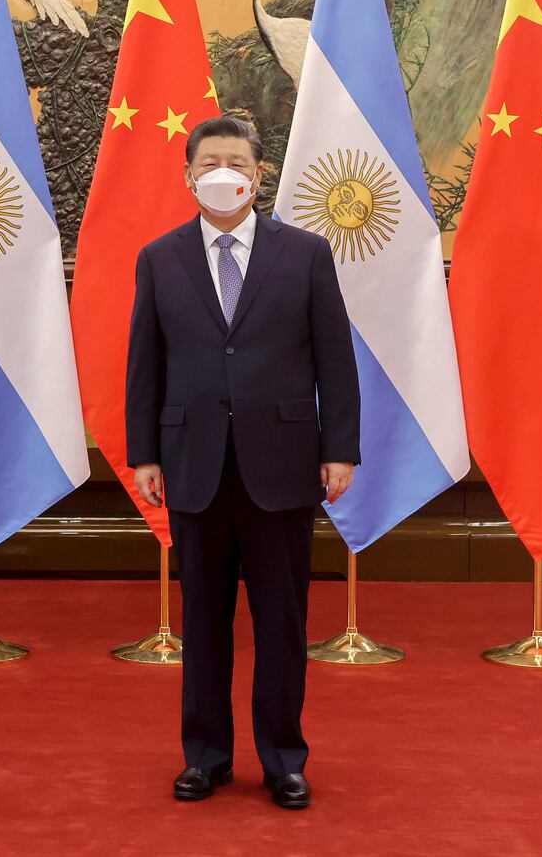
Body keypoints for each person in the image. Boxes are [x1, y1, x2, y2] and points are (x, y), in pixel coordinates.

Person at [125, 113, 360, 809]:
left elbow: (335, 361)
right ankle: (206, 755)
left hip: (283, 466)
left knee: (281, 622)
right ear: (189, 174)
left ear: (260, 174)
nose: (223, 173)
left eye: (237, 162)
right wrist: (144, 455)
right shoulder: (160, 258)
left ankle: (284, 756)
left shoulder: (306, 254)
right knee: (203, 621)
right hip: (193, 464)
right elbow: (146, 365)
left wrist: (339, 447)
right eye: (209, 162)